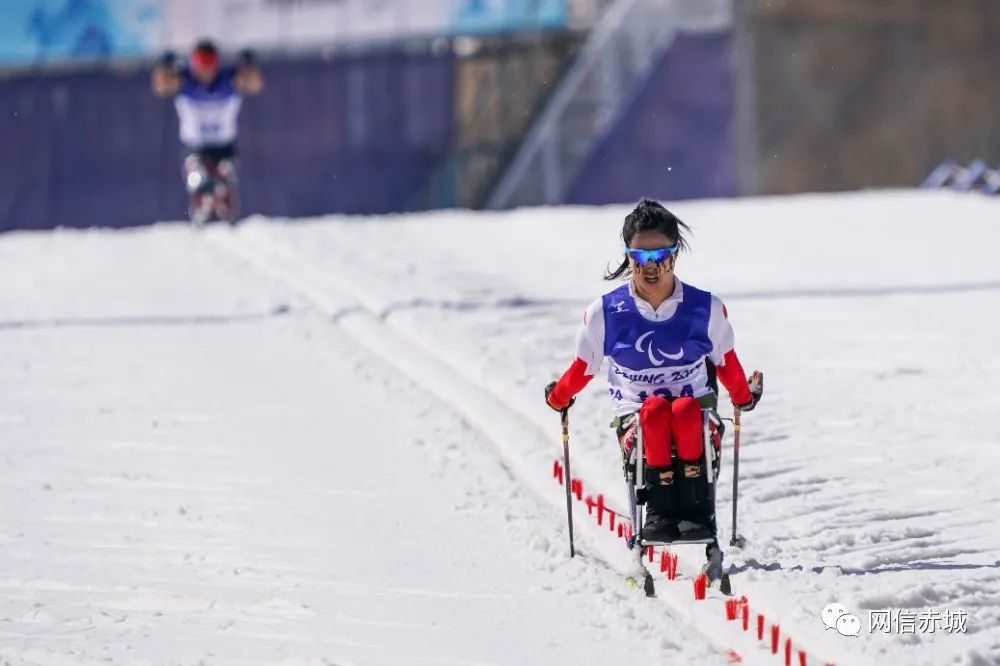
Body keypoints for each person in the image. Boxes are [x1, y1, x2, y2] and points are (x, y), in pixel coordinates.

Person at [543, 198, 763, 582]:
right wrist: (558, 397)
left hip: (694, 409)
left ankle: (696, 513)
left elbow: (727, 362)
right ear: (628, 255)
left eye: (660, 253)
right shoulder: (605, 312)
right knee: (658, 413)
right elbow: (583, 368)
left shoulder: (704, 307)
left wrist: (743, 397)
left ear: (674, 255)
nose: (649, 265)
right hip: (638, 416)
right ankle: (659, 513)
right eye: (639, 254)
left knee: (682, 412)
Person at [151, 39, 264, 224]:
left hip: (224, 146)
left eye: (209, 67)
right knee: (198, 176)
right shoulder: (184, 81)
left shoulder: (229, 80)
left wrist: (250, 66)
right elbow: (160, 88)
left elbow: (254, 85)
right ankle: (200, 203)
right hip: (195, 146)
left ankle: (224, 204)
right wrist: (163, 68)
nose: (206, 73)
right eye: (202, 67)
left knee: (226, 174)